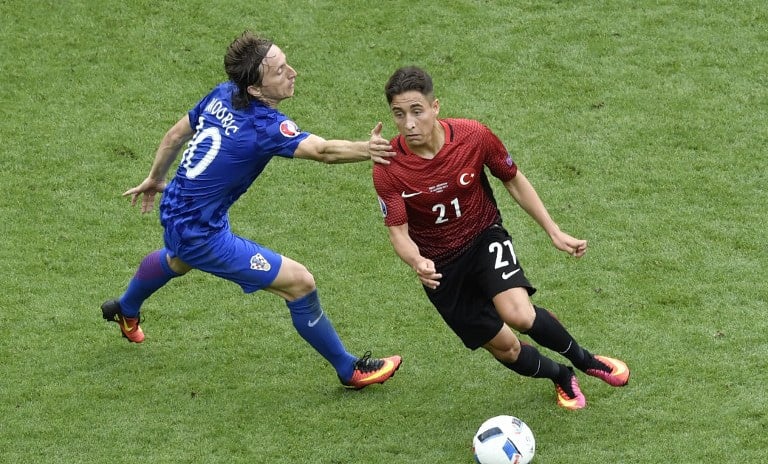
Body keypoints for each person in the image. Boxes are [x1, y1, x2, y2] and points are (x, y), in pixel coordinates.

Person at [101, 31, 401, 390]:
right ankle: (349, 369)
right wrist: (369, 149)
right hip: (202, 232)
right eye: (279, 71)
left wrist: (154, 177)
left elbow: (173, 137)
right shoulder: (266, 126)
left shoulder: (222, 93)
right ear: (256, 90)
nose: (292, 72)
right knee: (300, 283)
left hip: (178, 208)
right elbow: (322, 151)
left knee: (179, 258)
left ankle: (125, 307)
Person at [372, 66, 629, 409]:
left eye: (416, 111)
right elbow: (398, 233)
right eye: (398, 114)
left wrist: (553, 230)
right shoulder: (388, 167)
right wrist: (417, 261)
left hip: (483, 238)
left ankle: (587, 360)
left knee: (519, 315)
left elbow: (513, 179)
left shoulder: (473, 136)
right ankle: (561, 375)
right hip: (440, 270)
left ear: (435, 107)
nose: (408, 124)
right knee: (506, 347)